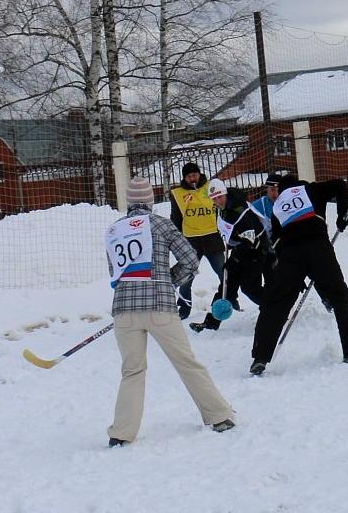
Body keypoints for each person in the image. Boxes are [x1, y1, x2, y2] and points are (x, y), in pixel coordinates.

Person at [105, 177, 235, 447]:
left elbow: (115, 274)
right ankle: (219, 416)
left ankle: (121, 433)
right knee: (186, 362)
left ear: (128, 202)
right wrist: (168, 280)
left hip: (123, 311)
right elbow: (190, 260)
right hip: (160, 307)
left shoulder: (114, 230)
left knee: (132, 371)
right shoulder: (161, 224)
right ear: (151, 201)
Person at [249, 174, 348, 376]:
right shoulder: (312, 189)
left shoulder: (277, 207)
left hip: (290, 256)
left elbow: (276, 240)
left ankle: (260, 358)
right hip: (318, 248)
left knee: (275, 304)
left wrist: (289, 272)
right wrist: (342, 214)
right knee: (339, 297)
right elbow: (340, 185)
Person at [190, 179, 271, 333]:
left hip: (257, 251)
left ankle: (275, 310)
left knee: (250, 287)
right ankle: (212, 322)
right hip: (242, 250)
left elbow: (249, 241)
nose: (217, 201)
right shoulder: (224, 208)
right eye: (214, 198)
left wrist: (235, 259)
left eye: (220, 197)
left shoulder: (240, 211)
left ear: (225, 194)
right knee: (226, 285)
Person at [169, 162, 225, 319]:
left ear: (199, 174)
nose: (192, 178)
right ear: (184, 178)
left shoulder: (211, 187)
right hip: (191, 241)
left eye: (194, 175)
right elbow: (176, 219)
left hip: (212, 237)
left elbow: (223, 206)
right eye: (188, 176)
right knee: (186, 278)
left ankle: (229, 300)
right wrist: (177, 239)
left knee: (224, 273)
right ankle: (184, 309)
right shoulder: (178, 194)